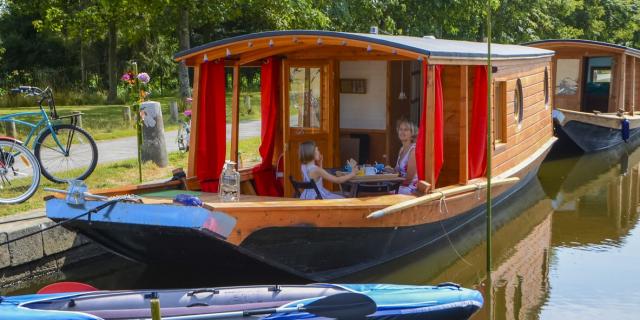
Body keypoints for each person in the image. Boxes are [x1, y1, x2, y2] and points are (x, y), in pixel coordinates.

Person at [388, 118, 420, 194]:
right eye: (400, 129)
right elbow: (398, 172)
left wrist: (393, 186)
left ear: (412, 133)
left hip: (410, 188)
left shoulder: (413, 150)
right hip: (401, 185)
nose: (402, 132)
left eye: (406, 130)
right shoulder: (402, 149)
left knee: (384, 192)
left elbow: (409, 179)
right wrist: (389, 170)